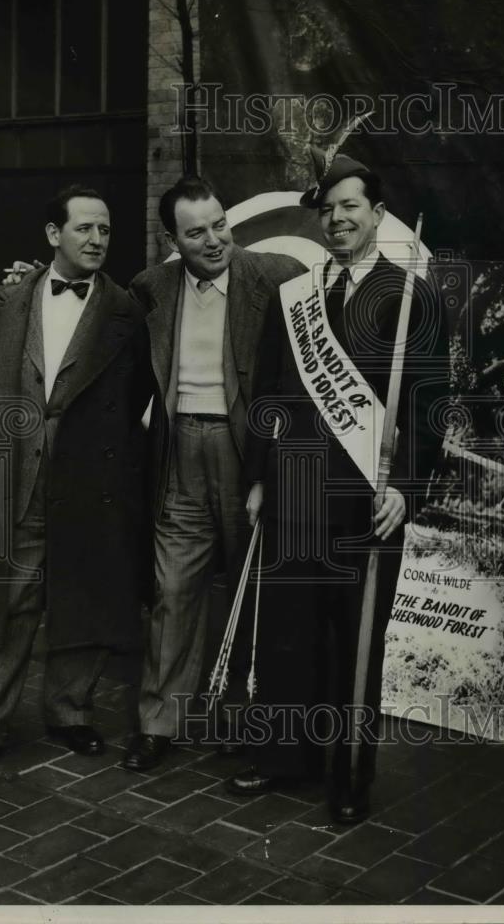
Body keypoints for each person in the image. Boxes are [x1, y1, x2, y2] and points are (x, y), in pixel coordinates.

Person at [227, 148, 449, 823]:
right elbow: (268, 395)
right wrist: (260, 480)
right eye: (328, 210)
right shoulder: (295, 294)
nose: (338, 218)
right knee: (290, 633)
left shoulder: (412, 298)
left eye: (350, 206)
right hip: (293, 492)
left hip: (365, 503)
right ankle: (281, 758)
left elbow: (430, 408)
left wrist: (406, 490)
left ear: (377, 214)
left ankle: (348, 773)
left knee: (353, 638)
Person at [0, 186, 153, 787]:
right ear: (53, 236)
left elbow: (134, 400)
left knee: (82, 594)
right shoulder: (3, 302)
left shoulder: (127, 313)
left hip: (90, 479)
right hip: (13, 478)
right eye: (83, 228)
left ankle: (69, 712)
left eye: (105, 230)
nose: (97, 240)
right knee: (2, 601)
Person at [122, 176, 305, 771]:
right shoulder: (150, 288)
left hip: (244, 451)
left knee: (252, 589)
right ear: (170, 238)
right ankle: (159, 722)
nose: (214, 239)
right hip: (178, 452)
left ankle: (242, 719)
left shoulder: (276, 276)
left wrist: (272, 469)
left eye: (220, 224)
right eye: (196, 232)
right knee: (173, 590)